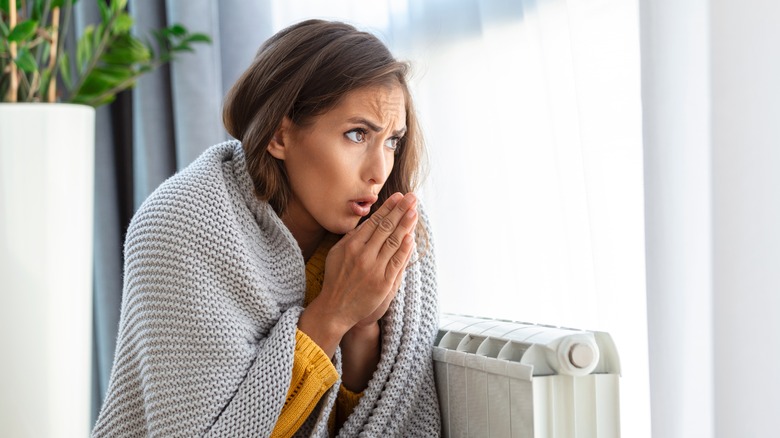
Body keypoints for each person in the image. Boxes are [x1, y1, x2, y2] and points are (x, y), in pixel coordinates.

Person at [92, 19, 440, 437]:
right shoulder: (181, 226)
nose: (380, 171)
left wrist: (363, 324)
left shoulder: (385, 235)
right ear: (279, 134)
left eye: (392, 141)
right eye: (356, 134)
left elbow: (373, 421)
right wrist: (333, 312)